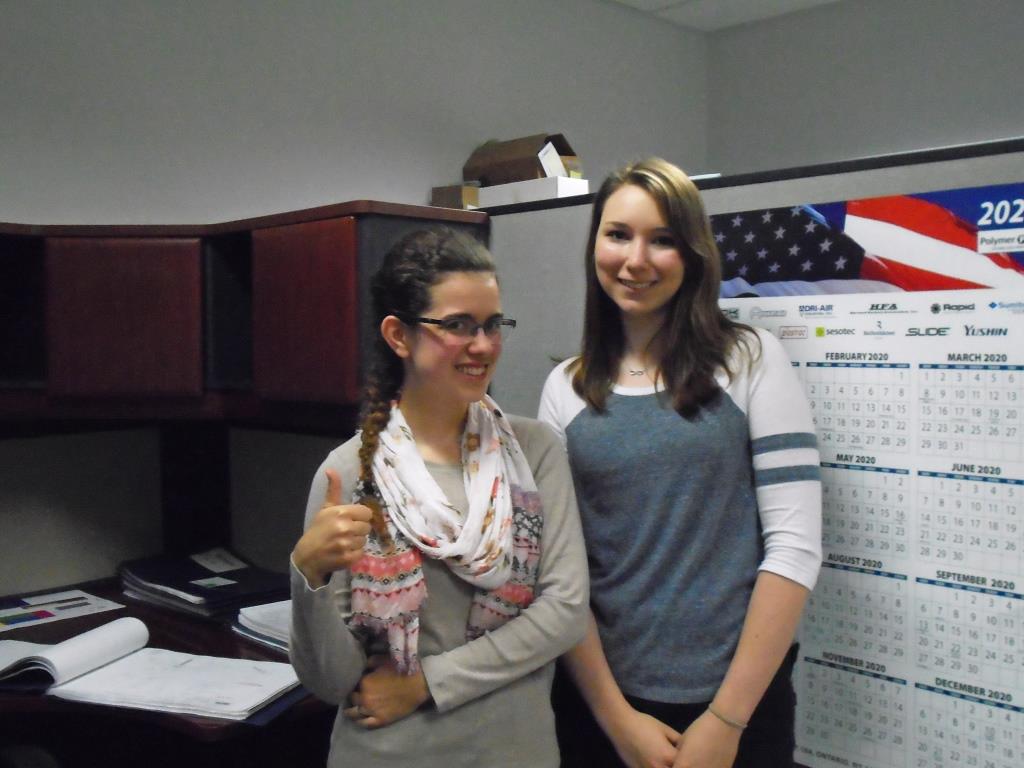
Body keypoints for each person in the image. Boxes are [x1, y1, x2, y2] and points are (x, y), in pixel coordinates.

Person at [537, 158, 822, 768]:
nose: (635, 260)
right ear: (595, 245)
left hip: (739, 707)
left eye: (662, 240)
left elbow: (794, 550)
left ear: (692, 254)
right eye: (617, 235)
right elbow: (563, 572)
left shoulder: (750, 360)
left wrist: (726, 721)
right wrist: (617, 721)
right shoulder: (567, 388)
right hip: (604, 708)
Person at [289, 226, 588, 768]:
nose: (483, 345)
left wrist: (427, 681)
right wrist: (307, 575)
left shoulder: (534, 453)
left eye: (493, 324)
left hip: (514, 752)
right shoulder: (348, 474)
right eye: (458, 325)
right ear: (399, 336)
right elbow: (333, 682)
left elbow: (565, 612)